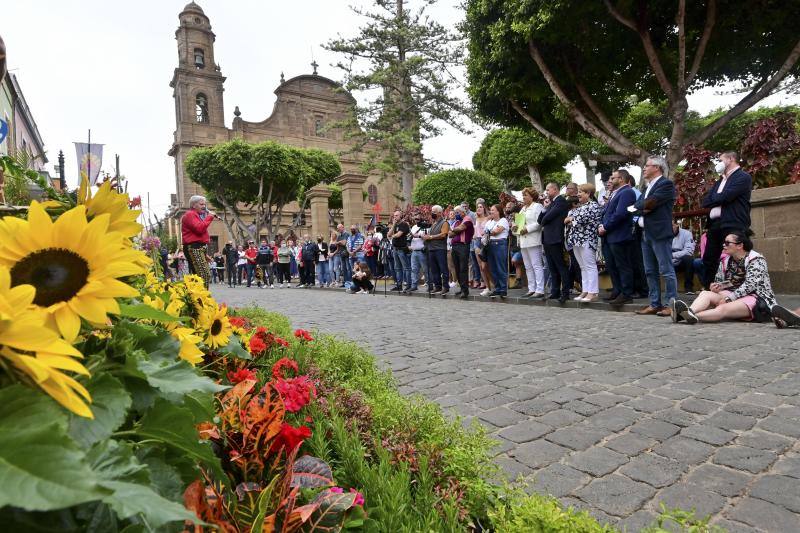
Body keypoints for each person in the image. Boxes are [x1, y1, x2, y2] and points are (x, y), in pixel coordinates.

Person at [671, 231, 776, 324]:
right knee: (705, 293)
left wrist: (729, 298)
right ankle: (690, 311)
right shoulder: (726, 261)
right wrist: (715, 286)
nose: (723, 245)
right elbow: (719, 281)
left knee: (722, 308)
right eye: (724, 242)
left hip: (757, 298)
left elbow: (750, 285)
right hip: (734, 294)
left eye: (727, 243)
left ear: (739, 245)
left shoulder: (756, 260)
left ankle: (684, 316)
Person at [632, 156, 677, 317]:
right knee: (650, 271)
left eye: (647, 165)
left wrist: (643, 206)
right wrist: (643, 207)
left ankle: (671, 304)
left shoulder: (665, 184)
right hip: (646, 233)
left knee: (666, 270)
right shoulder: (647, 187)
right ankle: (654, 303)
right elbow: (636, 206)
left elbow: (652, 202)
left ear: (657, 168)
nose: (644, 168)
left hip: (659, 232)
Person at [701, 151, 753, 288]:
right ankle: (708, 290)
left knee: (736, 257)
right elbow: (705, 201)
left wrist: (716, 198)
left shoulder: (743, 177)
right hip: (715, 225)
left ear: (730, 159)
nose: (718, 163)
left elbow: (726, 197)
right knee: (709, 258)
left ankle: (738, 289)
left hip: (733, 223)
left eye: (721, 159)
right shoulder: (720, 181)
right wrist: (716, 198)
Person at [599, 169, 637, 305]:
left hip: (619, 235)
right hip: (610, 236)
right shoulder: (615, 193)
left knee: (623, 265)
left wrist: (606, 226)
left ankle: (626, 293)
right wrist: (601, 225)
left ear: (621, 179)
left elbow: (621, 213)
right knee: (612, 265)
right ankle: (617, 290)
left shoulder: (627, 192)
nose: (610, 180)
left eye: (613, 178)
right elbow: (607, 212)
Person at [564, 183, 603, 302]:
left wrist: (572, 219)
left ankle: (593, 292)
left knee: (590, 266)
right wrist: (572, 219)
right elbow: (568, 219)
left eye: (581, 192)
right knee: (582, 267)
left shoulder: (594, 206)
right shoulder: (581, 207)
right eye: (579, 192)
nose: (578, 194)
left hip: (587, 239)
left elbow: (579, 221)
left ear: (588, 194)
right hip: (576, 240)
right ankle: (585, 290)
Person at [538, 182, 571, 304]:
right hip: (547, 238)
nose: (546, 192)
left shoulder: (561, 201)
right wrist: (545, 208)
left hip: (556, 238)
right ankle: (555, 291)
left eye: (548, 190)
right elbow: (540, 220)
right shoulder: (551, 203)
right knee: (552, 267)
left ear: (555, 189)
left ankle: (565, 292)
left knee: (560, 266)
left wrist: (546, 215)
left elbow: (547, 219)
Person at [180, 195, 216, 287]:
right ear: (193, 205)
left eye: (204, 204)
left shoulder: (195, 215)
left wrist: (204, 254)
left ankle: (199, 297)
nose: (204, 206)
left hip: (197, 247)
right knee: (203, 274)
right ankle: (200, 298)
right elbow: (199, 229)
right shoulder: (190, 214)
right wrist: (210, 217)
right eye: (201, 204)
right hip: (194, 247)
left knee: (200, 275)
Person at [515, 187, 545, 299]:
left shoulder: (537, 206)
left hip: (533, 239)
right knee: (528, 266)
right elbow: (518, 224)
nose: (523, 197)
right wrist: (515, 227)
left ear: (532, 196)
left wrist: (527, 229)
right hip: (523, 240)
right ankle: (531, 288)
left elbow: (540, 223)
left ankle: (540, 289)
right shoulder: (522, 209)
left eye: (525, 195)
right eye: (523, 195)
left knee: (536, 265)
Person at [422, 205, 451, 294]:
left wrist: (430, 237)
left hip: (440, 249)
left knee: (443, 268)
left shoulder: (444, 222)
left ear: (439, 212)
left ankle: (445, 286)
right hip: (431, 249)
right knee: (434, 269)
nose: (432, 213)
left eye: (434, 211)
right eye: (432, 211)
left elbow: (443, 234)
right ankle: (437, 286)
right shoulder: (433, 223)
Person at [448, 205, 474, 299]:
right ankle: (462, 288)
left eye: (457, 212)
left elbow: (460, 228)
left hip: (463, 246)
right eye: (455, 213)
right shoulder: (457, 222)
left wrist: (453, 230)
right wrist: (454, 231)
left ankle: (465, 290)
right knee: (457, 268)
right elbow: (450, 235)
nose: (456, 214)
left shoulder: (467, 219)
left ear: (463, 212)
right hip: (454, 246)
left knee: (463, 268)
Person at [484, 204, 510, 298]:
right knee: (493, 268)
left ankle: (503, 289)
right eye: (491, 210)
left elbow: (496, 232)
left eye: (493, 210)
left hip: (500, 244)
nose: (491, 212)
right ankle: (497, 288)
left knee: (500, 267)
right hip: (490, 245)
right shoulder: (489, 222)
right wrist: (490, 232)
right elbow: (485, 232)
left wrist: (489, 232)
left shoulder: (503, 220)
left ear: (498, 211)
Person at [670, 221, 696, 294]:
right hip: (667, 262)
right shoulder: (664, 234)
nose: (669, 227)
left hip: (680, 262)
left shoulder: (687, 234)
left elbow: (689, 251)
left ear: (677, 225)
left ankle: (688, 288)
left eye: (672, 225)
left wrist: (672, 255)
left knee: (688, 258)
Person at [389, 211, 412, 292]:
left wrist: (392, 236)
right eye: (394, 215)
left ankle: (409, 285)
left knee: (406, 268)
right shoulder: (395, 225)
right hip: (395, 249)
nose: (395, 217)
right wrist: (393, 225)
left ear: (400, 216)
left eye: (396, 215)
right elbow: (388, 234)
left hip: (402, 249)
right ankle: (399, 286)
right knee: (397, 268)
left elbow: (398, 235)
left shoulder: (404, 224)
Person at [474, 202, 492, 295]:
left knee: (487, 265)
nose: (479, 209)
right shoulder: (475, 219)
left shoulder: (488, 218)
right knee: (481, 266)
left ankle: (492, 285)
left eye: (481, 207)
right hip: (477, 241)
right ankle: (487, 287)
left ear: (484, 208)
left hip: (484, 241)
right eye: (477, 207)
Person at [409, 213, 428, 291]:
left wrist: (417, 236)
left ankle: (429, 284)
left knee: (425, 269)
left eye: (418, 219)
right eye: (415, 219)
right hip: (414, 251)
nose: (416, 221)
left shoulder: (425, 227)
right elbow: (411, 236)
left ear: (421, 219)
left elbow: (426, 237)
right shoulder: (413, 227)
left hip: (422, 251)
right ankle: (414, 285)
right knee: (414, 269)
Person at [346, 225, 365, 290]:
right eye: (351, 229)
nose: (352, 230)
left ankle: (362, 284)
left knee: (360, 269)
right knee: (353, 270)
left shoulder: (360, 236)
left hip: (358, 254)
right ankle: (355, 283)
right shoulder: (349, 237)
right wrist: (350, 252)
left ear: (356, 229)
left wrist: (353, 251)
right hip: (351, 255)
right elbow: (347, 246)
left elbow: (360, 245)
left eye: (353, 229)